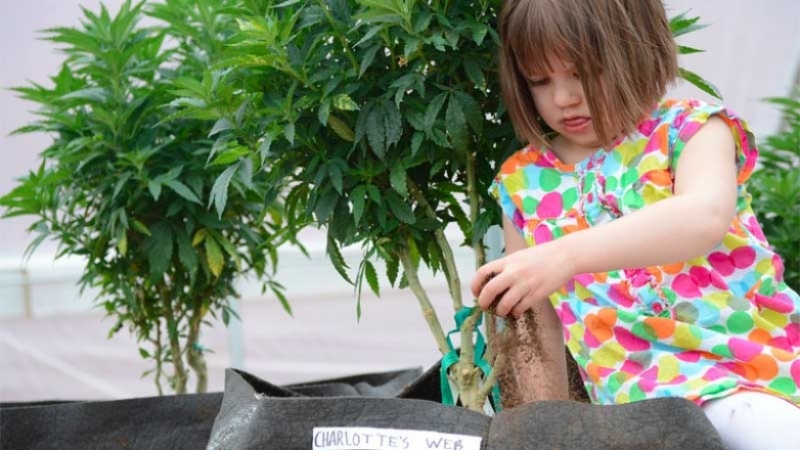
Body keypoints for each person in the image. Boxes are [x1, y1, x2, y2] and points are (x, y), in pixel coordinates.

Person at [469, 0, 800, 448]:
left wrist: (563, 255)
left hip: (750, 373)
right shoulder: (523, 183)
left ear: (636, 50)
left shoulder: (690, 131)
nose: (564, 97)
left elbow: (702, 216)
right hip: (638, 413)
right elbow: (538, 333)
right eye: (540, 81)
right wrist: (541, 430)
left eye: (583, 72)